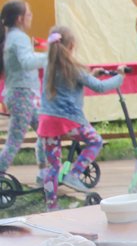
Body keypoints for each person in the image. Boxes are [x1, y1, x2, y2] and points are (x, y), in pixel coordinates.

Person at [37, 26, 125, 210]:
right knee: (95, 141)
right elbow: (99, 87)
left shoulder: (49, 66)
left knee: (53, 166)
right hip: (68, 120)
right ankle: (75, 174)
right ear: (71, 46)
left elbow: (68, 85)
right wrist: (120, 76)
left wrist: (91, 75)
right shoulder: (74, 68)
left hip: (47, 120)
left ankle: (51, 206)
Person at [0, 0, 47, 180]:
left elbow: (26, 58)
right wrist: (50, 57)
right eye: (29, 14)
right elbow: (27, 62)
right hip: (22, 95)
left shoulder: (14, 36)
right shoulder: (19, 38)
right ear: (20, 18)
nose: (31, 17)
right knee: (14, 140)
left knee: (45, 131)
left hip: (24, 94)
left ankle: (44, 173)